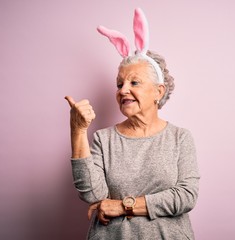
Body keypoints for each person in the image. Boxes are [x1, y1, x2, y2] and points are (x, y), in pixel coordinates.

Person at [65, 8, 200, 240]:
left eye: (134, 82)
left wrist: (123, 206)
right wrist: (78, 130)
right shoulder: (103, 139)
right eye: (119, 84)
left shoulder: (180, 138)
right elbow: (92, 194)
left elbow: (186, 196)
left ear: (159, 91)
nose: (123, 90)